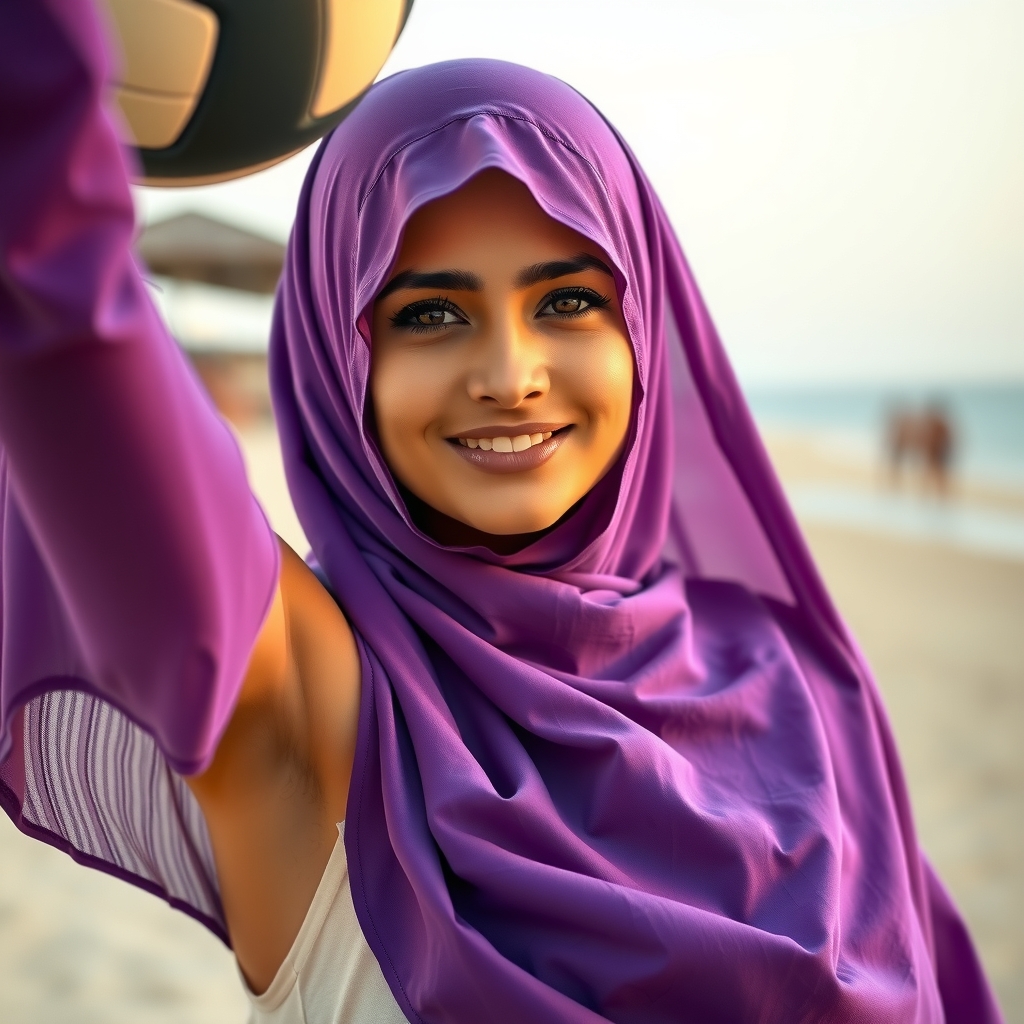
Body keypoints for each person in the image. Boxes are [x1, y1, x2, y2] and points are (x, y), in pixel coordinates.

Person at [0, 1, 1003, 1022]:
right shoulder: (311, 704)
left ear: (643, 327)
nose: (511, 375)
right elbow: (63, 311)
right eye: (429, 314)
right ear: (339, 363)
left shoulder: (791, 672)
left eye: (567, 300)